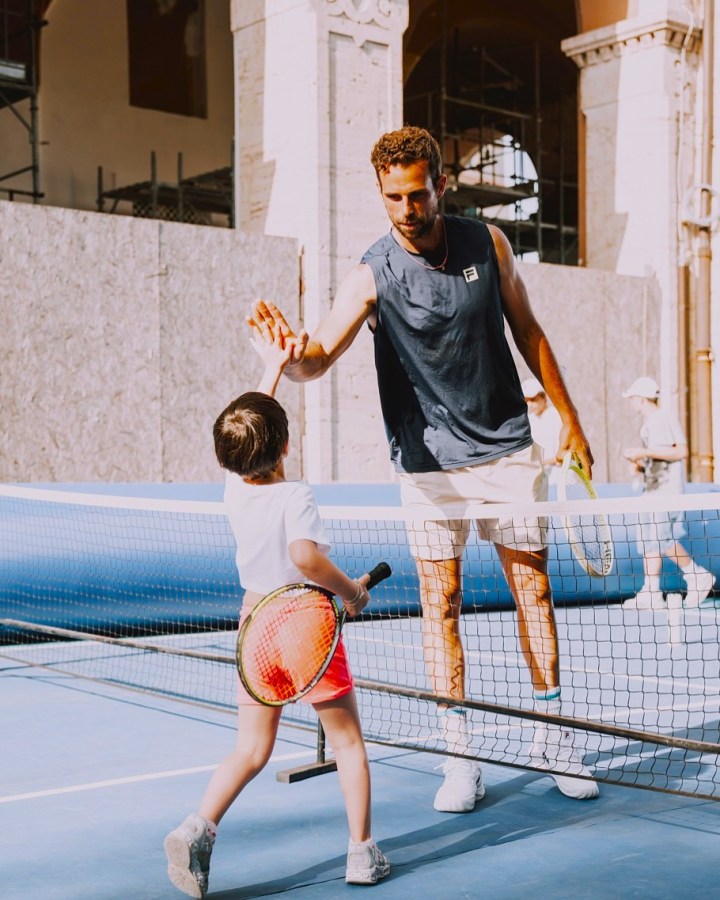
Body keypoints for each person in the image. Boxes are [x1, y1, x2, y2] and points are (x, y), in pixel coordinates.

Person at [247, 125, 599, 811]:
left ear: (441, 184)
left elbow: (528, 330)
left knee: (535, 593)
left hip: (505, 449)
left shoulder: (487, 244)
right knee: (440, 604)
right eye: (391, 198)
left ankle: (554, 735)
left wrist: (573, 421)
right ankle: (458, 755)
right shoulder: (372, 272)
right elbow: (320, 355)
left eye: (415, 195)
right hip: (427, 466)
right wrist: (293, 355)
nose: (405, 211)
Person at [163, 327, 390, 897]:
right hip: (304, 627)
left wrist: (271, 365)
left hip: (254, 628)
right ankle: (362, 852)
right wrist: (352, 594)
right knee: (347, 745)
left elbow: (251, 425)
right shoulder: (295, 496)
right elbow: (305, 558)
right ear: (286, 446)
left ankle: (199, 828)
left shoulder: (234, 488)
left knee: (251, 749)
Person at [621, 375, 715, 610]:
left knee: (663, 538)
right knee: (648, 539)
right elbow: (656, 460)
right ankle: (651, 591)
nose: (631, 403)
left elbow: (681, 452)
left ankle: (696, 574)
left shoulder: (664, 417)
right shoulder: (648, 425)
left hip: (667, 491)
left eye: (632, 398)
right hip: (651, 490)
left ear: (641, 399)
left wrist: (642, 452)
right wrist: (640, 463)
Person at [521, 376, 563, 488]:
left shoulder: (556, 416)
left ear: (543, 397)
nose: (530, 404)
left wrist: (540, 463)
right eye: (526, 400)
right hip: (539, 482)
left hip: (559, 480)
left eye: (533, 399)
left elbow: (562, 455)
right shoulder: (529, 420)